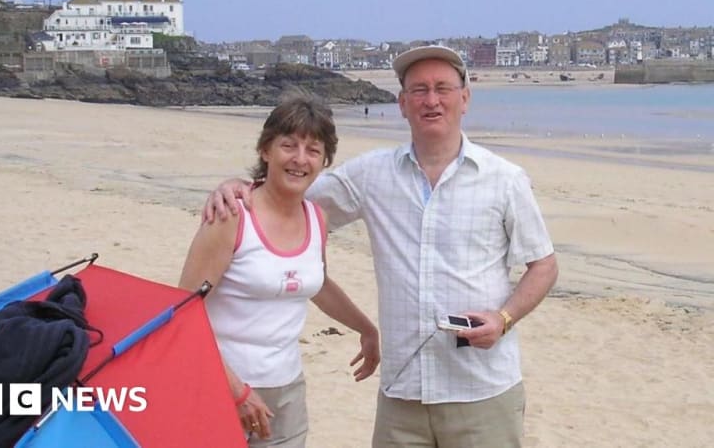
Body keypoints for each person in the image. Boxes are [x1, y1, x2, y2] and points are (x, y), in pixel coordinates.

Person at [203, 45, 559, 447]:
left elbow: (544, 265)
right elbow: (286, 195)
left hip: (482, 390)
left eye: (442, 88)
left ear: (465, 98)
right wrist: (239, 187)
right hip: (403, 394)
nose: (431, 100)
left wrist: (504, 318)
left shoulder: (505, 179)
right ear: (402, 103)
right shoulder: (372, 174)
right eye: (419, 90)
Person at [178, 95, 379, 447]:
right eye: (289, 146)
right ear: (265, 150)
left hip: (287, 390)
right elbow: (182, 313)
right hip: (219, 385)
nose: (300, 159)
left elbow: (318, 284)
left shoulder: (317, 218)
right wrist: (237, 390)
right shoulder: (231, 215)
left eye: (313, 150)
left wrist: (367, 329)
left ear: (324, 161)